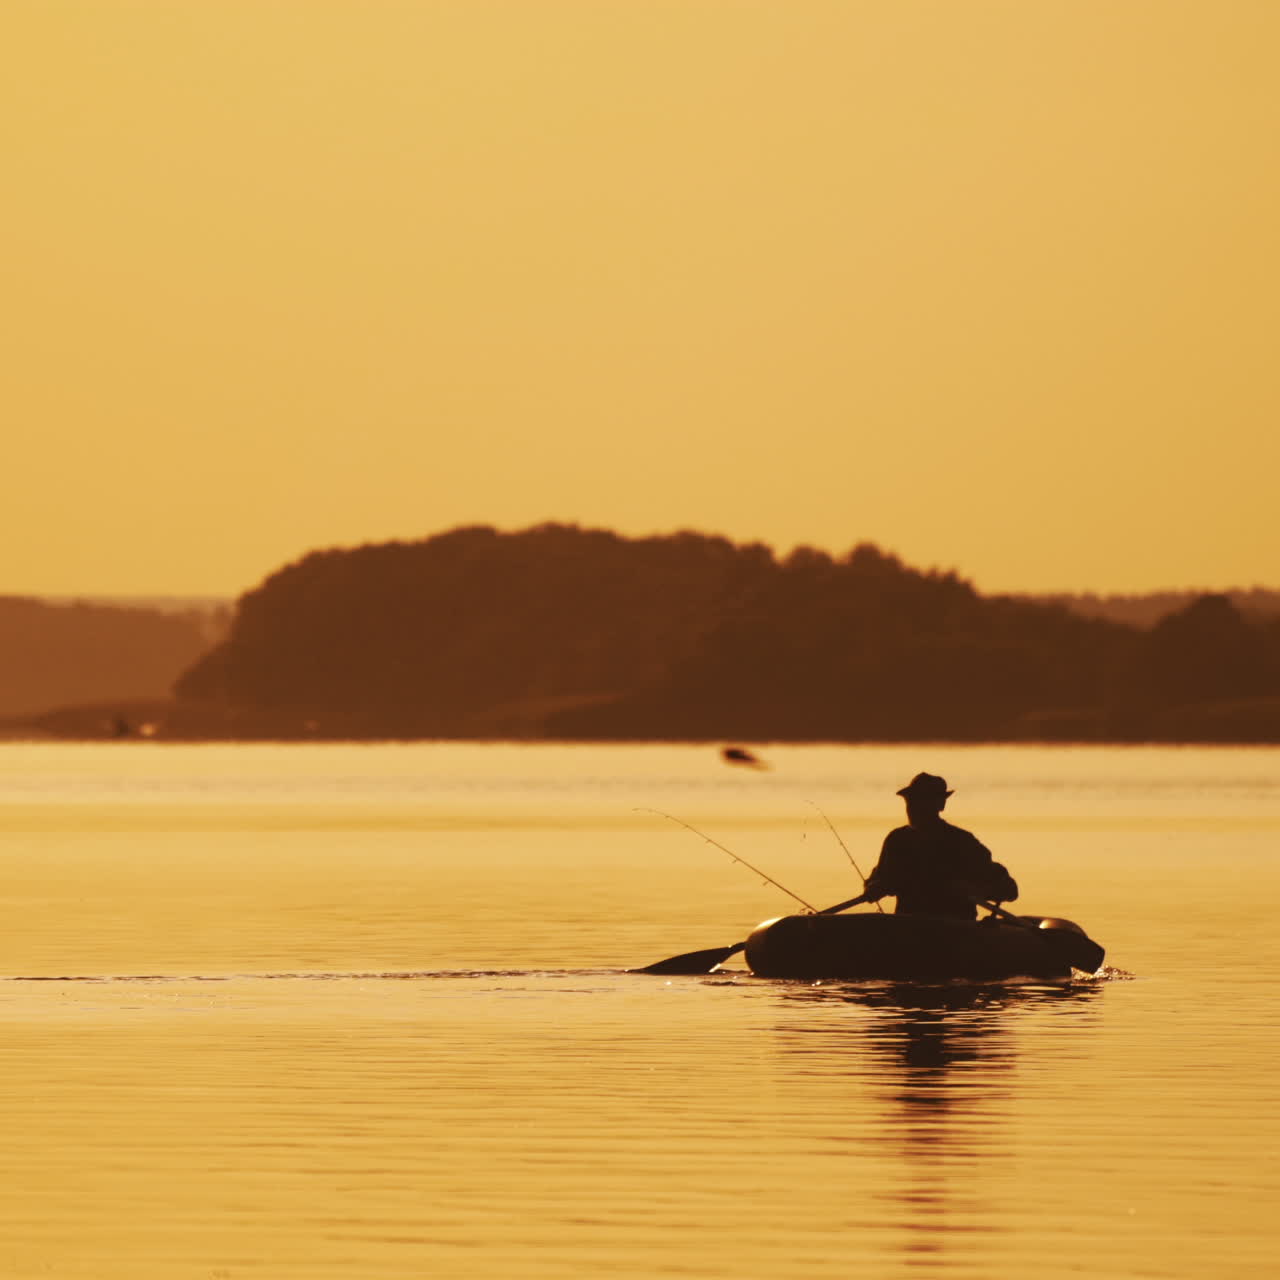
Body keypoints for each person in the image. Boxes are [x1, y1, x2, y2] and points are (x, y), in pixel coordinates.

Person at [863, 773, 1017, 919]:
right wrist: (874, 887)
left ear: (940, 805)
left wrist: (976, 890)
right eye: (911, 801)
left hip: (956, 930)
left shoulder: (962, 842)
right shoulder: (897, 840)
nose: (914, 808)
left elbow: (1009, 889)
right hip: (908, 928)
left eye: (922, 802)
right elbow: (878, 878)